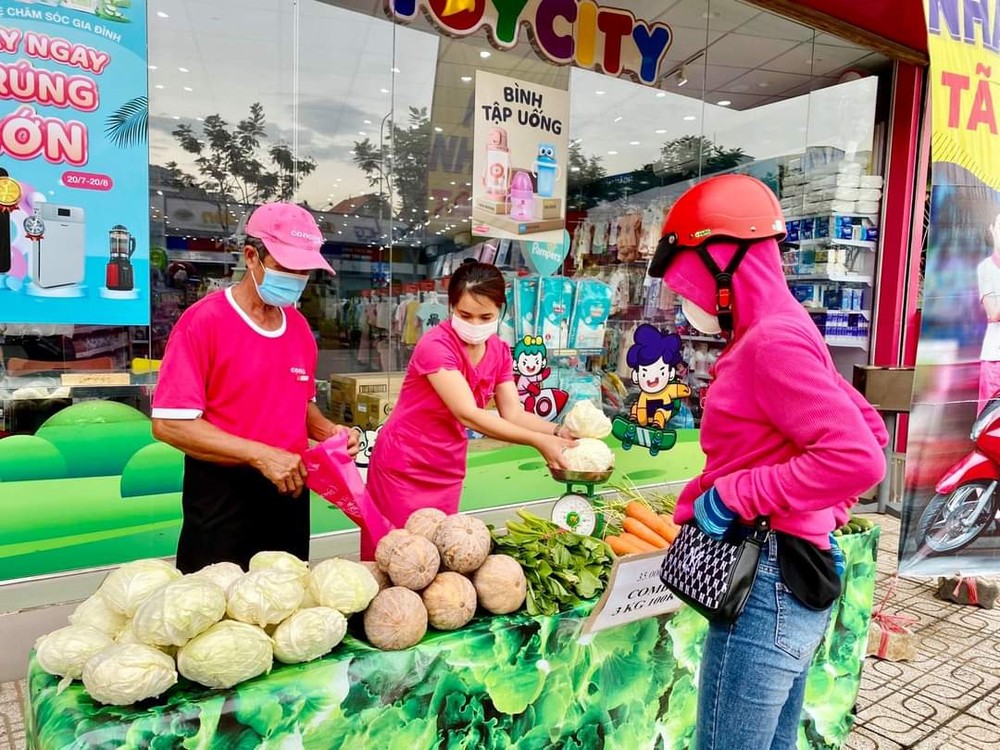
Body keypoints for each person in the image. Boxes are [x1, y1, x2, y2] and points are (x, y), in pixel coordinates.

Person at [648, 175, 888, 750]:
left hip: (767, 581)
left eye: (690, 282)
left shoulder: (770, 342)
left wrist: (738, 496)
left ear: (724, 261)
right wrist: (818, 508)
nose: (688, 301)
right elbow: (871, 429)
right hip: (788, 572)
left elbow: (857, 456)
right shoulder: (782, 324)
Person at [151, 202, 359, 573]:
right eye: (285, 267)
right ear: (251, 257)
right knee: (217, 611)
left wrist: (330, 432)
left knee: (287, 604)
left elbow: (299, 404)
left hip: (289, 491)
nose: (296, 278)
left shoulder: (299, 331)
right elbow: (171, 423)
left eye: (303, 271)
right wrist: (260, 455)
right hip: (222, 496)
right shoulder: (204, 322)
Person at [364, 261, 576, 559]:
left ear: (501, 312)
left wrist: (556, 430)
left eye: (485, 316)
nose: (475, 325)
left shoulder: (500, 351)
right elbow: (467, 413)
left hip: (447, 467)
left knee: (439, 558)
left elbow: (513, 413)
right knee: (396, 557)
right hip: (404, 465)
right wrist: (539, 442)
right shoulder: (435, 345)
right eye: (465, 315)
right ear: (451, 307)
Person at [976, 210, 1000, 413]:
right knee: (991, 419)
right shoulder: (986, 268)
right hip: (996, 359)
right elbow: (993, 313)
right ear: (992, 230)